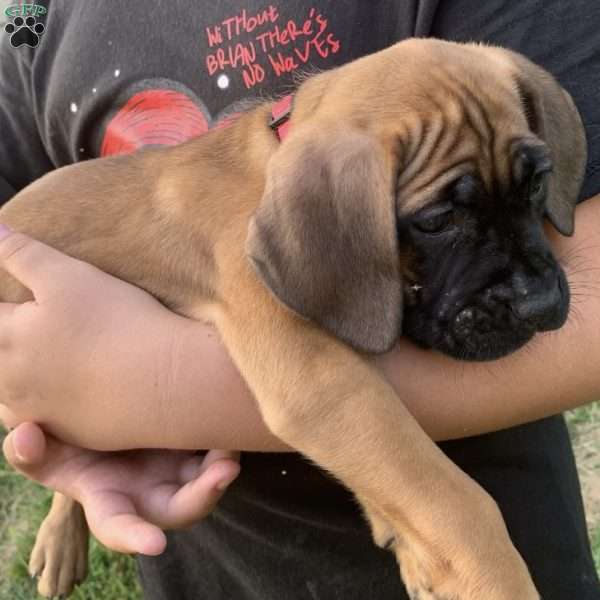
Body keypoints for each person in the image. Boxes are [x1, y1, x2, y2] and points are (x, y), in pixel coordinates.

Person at [1, 1, 599, 598]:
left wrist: (131, 394)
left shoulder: (465, 87)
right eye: (441, 218)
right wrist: (471, 554)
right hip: (208, 558)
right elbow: (313, 386)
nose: (535, 297)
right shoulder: (38, 27)